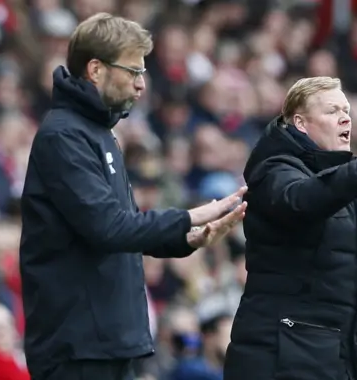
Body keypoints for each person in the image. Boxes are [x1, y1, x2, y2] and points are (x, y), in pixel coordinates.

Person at [18, 13, 247, 380]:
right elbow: (108, 227)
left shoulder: (98, 131)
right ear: (95, 69)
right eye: (133, 72)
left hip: (107, 341)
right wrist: (188, 216)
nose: (142, 85)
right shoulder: (64, 136)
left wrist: (184, 239)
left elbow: (118, 233)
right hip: (78, 348)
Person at [223, 77, 357, 380]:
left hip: (327, 353)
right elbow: (302, 201)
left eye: (347, 110)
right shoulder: (273, 169)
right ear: (300, 122)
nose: (345, 117)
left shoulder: (337, 178)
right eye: (332, 110)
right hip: (279, 355)